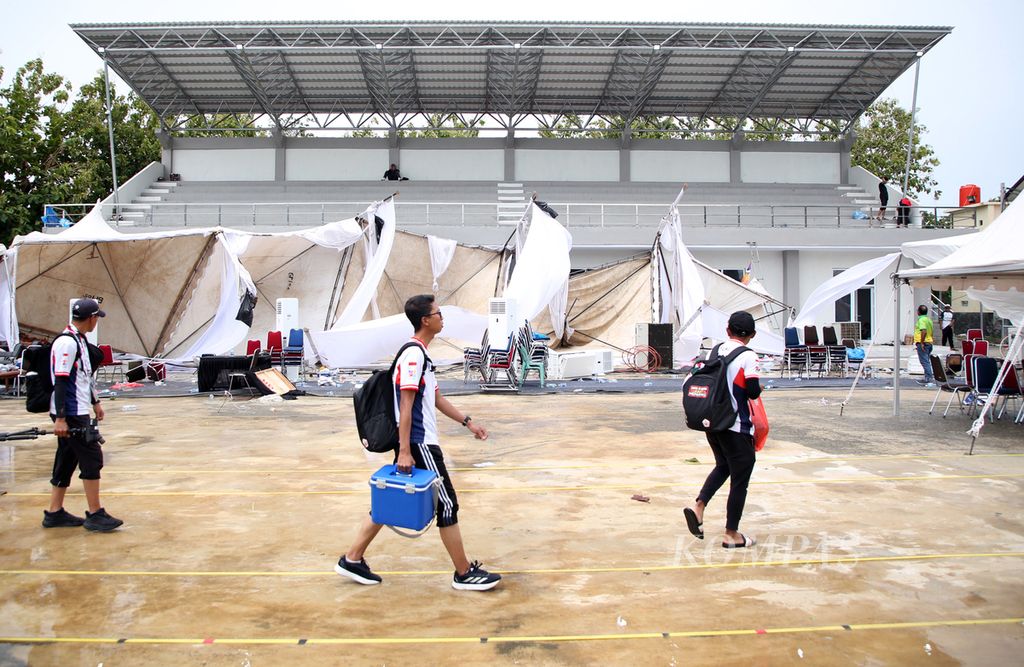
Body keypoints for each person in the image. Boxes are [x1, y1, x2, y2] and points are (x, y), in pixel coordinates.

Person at [336, 294, 501, 591]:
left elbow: (434, 398)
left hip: (418, 441)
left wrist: (468, 422)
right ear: (425, 320)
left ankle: (352, 557)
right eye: (438, 314)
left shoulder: (421, 355)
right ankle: (463, 573)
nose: (442, 318)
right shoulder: (413, 355)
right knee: (447, 504)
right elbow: (407, 405)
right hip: (418, 441)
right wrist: (406, 450)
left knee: (393, 500)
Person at [683, 311, 762, 549]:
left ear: (727, 330)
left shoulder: (715, 350)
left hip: (713, 422)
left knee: (724, 465)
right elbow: (753, 390)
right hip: (736, 425)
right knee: (740, 479)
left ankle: (699, 507)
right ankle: (731, 534)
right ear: (752, 335)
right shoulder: (749, 356)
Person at [42, 298, 123, 531]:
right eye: (97, 317)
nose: (97, 321)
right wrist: (61, 418)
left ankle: (54, 512)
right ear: (92, 318)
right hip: (71, 412)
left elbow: (84, 377)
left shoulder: (79, 340)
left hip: (77, 409)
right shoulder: (67, 343)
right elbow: (61, 381)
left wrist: (95, 402)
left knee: (67, 458)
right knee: (92, 457)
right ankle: (95, 513)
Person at [915, 304, 935, 386]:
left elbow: (924, 331)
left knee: (924, 361)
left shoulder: (921, 320)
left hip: (924, 343)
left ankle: (929, 378)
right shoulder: (929, 320)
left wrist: (922, 342)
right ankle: (927, 377)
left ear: (918, 312)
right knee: (926, 360)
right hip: (929, 342)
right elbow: (931, 332)